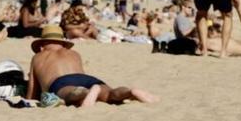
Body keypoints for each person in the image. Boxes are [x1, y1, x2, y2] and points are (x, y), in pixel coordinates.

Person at [26, 24, 158, 108]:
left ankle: (87, 92)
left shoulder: (38, 57)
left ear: (42, 46)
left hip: (61, 82)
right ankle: (130, 92)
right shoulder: (74, 53)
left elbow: (32, 94)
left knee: (71, 93)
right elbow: (79, 74)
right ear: (63, 43)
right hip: (87, 78)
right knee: (110, 94)